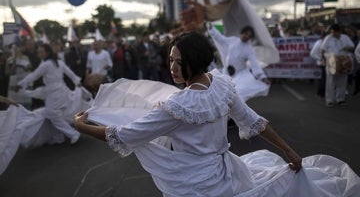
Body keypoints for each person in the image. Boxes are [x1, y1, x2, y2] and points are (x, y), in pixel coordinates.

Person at [73, 31, 360, 196]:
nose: (171, 67)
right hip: (225, 171)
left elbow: (122, 135)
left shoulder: (179, 106)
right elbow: (255, 122)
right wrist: (290, 152)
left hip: (193, 183)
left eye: (177, 62)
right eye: (170, 60)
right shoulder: (220, 85)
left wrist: (82, 126)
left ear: (194, 61)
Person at [14, 43, 81, 144]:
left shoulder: (47, 64)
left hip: (55, 93)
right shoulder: (56, 61)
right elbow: (70, 73)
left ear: (47, 52)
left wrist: (20, 84)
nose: (39, 54)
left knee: (52, 114)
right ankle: (59, 136)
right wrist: (77, 81)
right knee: (57, 115)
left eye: (41, 52)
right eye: (38, 52)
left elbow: (33, 76)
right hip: (59, 91)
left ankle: (72, 133)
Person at [207, 22, 271, 101]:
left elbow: (254, 64)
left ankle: (235, 111)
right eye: (246, 34)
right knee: (222, 92)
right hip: (226, 72)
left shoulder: (249, 49)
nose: (247, 36)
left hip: (239, 75)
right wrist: (212, 29)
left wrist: (262, 77)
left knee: (237, 95)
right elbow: (220, 39)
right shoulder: (232, 40)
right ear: (242, 33)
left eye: (249, 36)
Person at [320, 24, 354, 107]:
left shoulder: (345, 37)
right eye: (332, 32)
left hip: (343, 62)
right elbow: (322, 50)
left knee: (342, 81)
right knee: (330, 82)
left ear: (339, 31)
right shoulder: (328, 38)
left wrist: (347, 48)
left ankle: (340, 99)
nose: (333, 34)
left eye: (334, 32)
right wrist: (323, 60)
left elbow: (352, 47)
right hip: (331, 62)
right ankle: (330, 100)